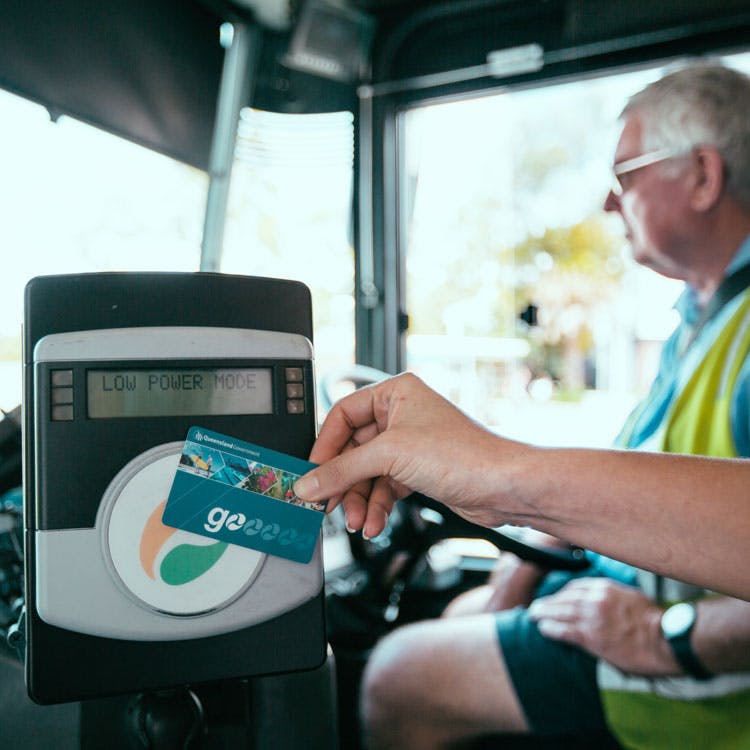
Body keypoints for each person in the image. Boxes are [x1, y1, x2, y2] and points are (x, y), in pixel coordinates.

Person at [296, 62, 750, 749]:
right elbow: (640, 479)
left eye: (625, 176)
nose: (607, 203)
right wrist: (526, 557)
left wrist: (666, 635)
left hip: (697, 680)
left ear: (704, 176)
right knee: (458, 614)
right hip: (617, 599)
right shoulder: (699, 321)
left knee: (396, 674)